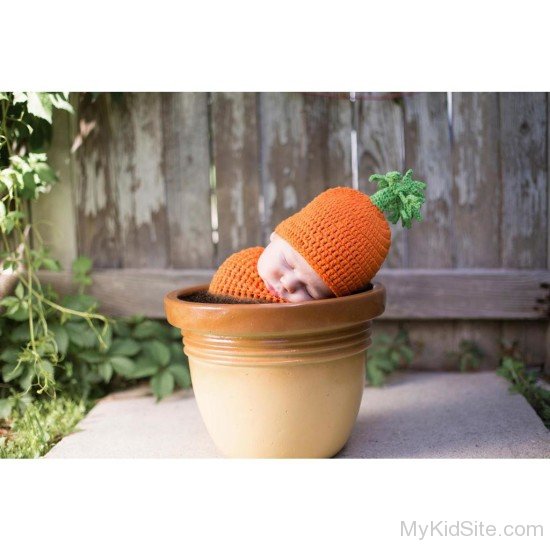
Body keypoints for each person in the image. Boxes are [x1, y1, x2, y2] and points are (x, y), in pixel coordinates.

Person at [208, 170, 426, 304]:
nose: (288, 283)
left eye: (309, 290)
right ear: (277, 235)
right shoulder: (237, 271)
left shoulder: (308, 316)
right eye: (287, 263)